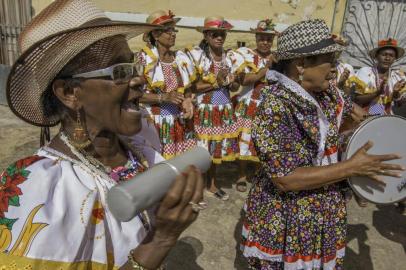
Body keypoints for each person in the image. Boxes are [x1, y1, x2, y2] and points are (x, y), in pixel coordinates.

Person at [0, 1, 205, 269]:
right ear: (70, 93)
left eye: (132, 67)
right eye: (118, 71)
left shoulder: (140, 142)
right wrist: (160, 241)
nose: (139, 80)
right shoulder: (39, 190)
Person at [241, 19, 403, 269]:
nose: (334, 69)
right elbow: (286, 179)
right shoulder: (275, 105)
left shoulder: (328, 92)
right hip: (289, 213)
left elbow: (359, 118)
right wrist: (351, 167)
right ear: (302, 64)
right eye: (330, 60)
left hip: (325, 206)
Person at [186, 16, 243, 200]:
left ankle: (211, 184)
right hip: (205, 109)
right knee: (202, 149)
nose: (219, 37)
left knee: (216, 149)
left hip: (223, 108)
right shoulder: (198, 57)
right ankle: (197, 185)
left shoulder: (230, 57)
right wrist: (217, 82)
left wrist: (232, 83)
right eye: (215, 34)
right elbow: (192, 87)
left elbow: (233, 88)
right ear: (206, 36)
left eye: (222, 34)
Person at [137, 10, 197, 160]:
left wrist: (188, 100)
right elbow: (135, 95)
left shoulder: (180, 58)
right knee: (160, 166)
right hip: (156, 123)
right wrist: (163, 97)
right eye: (168, 31)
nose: (173, 34)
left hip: (179, 121)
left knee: (181, 165)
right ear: (155, 35)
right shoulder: (144, 59)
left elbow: (187, 88)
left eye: (173, 30)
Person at [233, 19, 277, 192]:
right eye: (262, 38)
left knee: (264, 141)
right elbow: (245, 80)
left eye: (268, 39)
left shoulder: (278, 58)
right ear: (256, 38)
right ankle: (242, 175)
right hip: (249, 104)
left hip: (268, 106)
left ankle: (257, 173)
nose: (265, 42)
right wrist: (265, 69)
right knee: (245, 141)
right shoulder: (247, 55)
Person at [354, 38, 406, 115]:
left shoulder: (398, 76)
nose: (387, 58)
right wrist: (377, 93)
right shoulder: (365, 72)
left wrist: (396, 93)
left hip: (386, 119)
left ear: (394, 58)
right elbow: (357, 100)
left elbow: (399, 105)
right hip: (364, 117)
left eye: (391, 56)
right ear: (376, 56)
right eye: (384, 54)